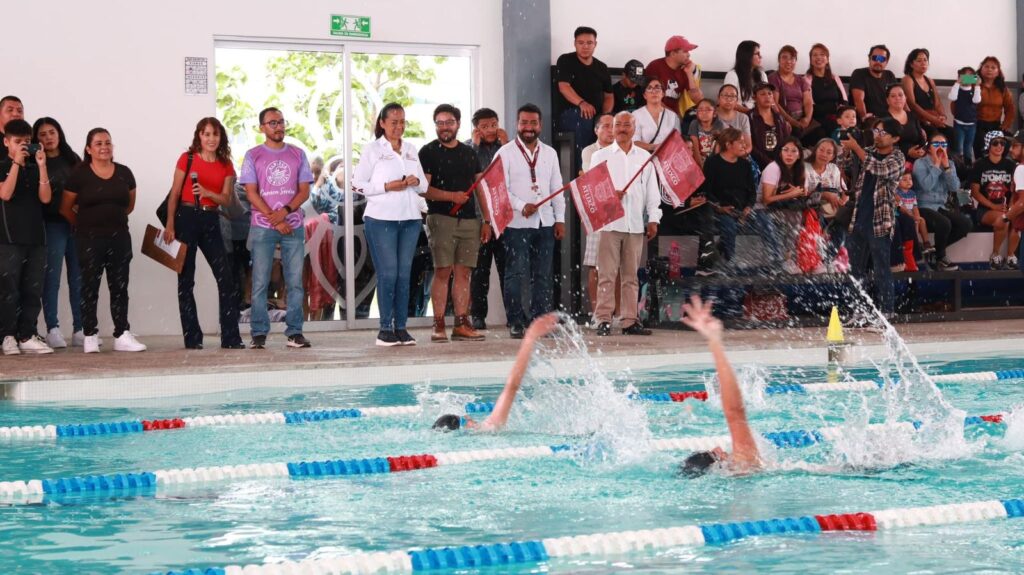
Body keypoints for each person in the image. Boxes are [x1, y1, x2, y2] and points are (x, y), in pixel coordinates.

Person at [60, 128, 145, 353]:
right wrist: (85, 226)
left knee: (119, 286)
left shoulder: (125, 173)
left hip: (119, 239)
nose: (104, 146)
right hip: (89, 240)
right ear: (89, 149)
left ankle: (121, 334)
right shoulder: (79, 175)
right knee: (89, 287)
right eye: (98, 143)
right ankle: (89, 334)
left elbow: (129, 206)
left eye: (107, 142)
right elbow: (66, 208)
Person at [162, 117, 243, 350]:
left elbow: (227, 199)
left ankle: (231, 338)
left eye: (215, 134)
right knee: (186, 280)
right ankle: (192, 338)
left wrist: (208, 191)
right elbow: (175, 194)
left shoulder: (226, 164)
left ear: (221, 137)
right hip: (186, 218)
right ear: (199, 135)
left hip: (211, 218)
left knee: (226, 279)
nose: (210, 139)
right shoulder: (186, 158)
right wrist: (170, 225)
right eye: (206, 134)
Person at [352, 103, 428, 346]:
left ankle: (402, 327)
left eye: (402, 122)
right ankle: (385, 328)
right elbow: (357, 184)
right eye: (394, 122)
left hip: (410, 219)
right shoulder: (372, 150)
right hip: (381, 219)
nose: (399, 126)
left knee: (404, 274)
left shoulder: (411, 149)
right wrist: (387, 186)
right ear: (382, 123)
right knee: (388, 273)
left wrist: (415, 182)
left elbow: (424, 187)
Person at [239, 107, 314, 349]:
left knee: (295, 282)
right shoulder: (253, 156)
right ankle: (259, 333)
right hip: (263, 226)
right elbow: (251, 192)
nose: (278, 126)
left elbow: (304, 190)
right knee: (260, 281)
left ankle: (295, 332)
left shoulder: (298, 154)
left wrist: (285, 212)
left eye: (281, 122)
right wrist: (275, 218)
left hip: (292, 225)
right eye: (272, 123)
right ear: (262, 127)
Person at [419, 104, 489, 343]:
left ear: (458, 124)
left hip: (470, 221)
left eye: (449, 122)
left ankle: (461, 323)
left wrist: (487, 220)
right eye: (440, 123)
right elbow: (423, 190)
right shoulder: (428, 152)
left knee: (464, 274)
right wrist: (452, 196)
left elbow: (480, 188)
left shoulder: (470, 153)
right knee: (442, 271)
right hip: (441, 219)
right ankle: (438, 325)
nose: (445, 127)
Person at [495, 103, 566, 339]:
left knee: (543, 275)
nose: (528, 127)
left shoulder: (550, 153)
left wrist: (560, 219)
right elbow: (501, 190)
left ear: (540, 125)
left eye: (533, 122)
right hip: (516, 224)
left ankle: (539, 321)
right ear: (517, 124)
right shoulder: (504, 153)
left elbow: (557, 187)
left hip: (545, 223)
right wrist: (520, 205)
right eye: (524, 122)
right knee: (515, 273)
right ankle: (515, 320)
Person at [591, 112, 661, 336]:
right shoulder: (600, 156)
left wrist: (653, 219)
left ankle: (630, 320)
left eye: (626, 125)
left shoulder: (644, 158)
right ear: (611, 128)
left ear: (634, 128)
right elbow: (592, 191)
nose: (621, 128)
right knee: (607, 275)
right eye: (617, 125)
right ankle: (603, 319)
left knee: (631, 277)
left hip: (635, 226)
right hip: (610, 224)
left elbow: (652, 191)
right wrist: (611, 195)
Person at [432, 313, 560, 432]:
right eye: (464, 419)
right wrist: (530, 337)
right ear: (465, 427)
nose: (469, 417)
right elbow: (512, 386)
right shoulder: (489, 428)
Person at [678, 295, 761, 478]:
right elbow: (735, 412)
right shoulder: (742, 465)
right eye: (713, 454)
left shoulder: (741, 474)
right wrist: (714, 342)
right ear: (719, 466)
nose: (717, 447)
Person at [841, 118, 906, 319]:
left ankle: (887, 311)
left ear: (895, 138)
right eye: (876, 130)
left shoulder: (898, 158)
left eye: (883, 132)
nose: (878, 135)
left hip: (880, 220)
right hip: (859, 217)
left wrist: (857, 149)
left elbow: (879, 169)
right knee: (855, 270)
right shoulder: (868, 150)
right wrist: (847, 151)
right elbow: (844, 165)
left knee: (881, 268)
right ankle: (857, 312)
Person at [0, 119, 53, 355]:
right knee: (8, 289)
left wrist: (41, 166)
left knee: (33, 289)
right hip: (8, 239)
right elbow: (6, 193)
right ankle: (7, 336)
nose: (24, 146)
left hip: (36, 237)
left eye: (27, 142)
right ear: (6, 142)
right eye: (18, 142)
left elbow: (46, 198)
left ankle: (26, 334)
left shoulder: (35, 167)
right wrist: (15, 163)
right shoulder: (3, 165)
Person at [32, 117, 84, 349]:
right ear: (36, 139)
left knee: (78, 278)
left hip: (76, 226)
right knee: (51, 279)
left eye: (52, 132)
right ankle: (52, 328)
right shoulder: (35, 163)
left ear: (59, 134)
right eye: (42, 134)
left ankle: (81, 328)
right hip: (51, 225)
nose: (48, 137)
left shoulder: (73, 160)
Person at [468, 107, 508, 330]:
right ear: (476, 129)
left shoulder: (508, 148)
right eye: (485, 126)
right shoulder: (468, 148)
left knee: (507, 269)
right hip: (479, 217)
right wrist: (474, 146)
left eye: (494, 124)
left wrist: (505, 144)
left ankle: (514, 315)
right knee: (480, 270)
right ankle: (478, 316)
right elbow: (467, 175)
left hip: (503, 216)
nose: (491, 130)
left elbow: (509, 172)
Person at [555, 26, 613, 168]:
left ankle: (612, 167)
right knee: (584, 117)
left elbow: (609, 96)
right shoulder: (566, 60)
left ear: (595, 44)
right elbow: (564, 87)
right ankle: (583, 171)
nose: (585, 46)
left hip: (596, 115)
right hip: (571, 114)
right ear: (574, 43)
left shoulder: (602, 67)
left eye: (589, 43)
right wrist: (582, 103)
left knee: (616, 122)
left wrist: (605, 115)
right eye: (580, 43)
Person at [704, 128, 757, 272]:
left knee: (766, 222)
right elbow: (706, 191)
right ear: (728, 144)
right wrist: (719, 207)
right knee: (729, 226)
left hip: (742, 210)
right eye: (740, 142)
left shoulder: (745, 164)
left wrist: (748, 207)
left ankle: (775, 261)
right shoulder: (712, 163)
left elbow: (752, 192)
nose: (744, 145)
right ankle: (730, 263)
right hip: (720, 210)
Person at [913, 132, 967, 271]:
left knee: (965, 223)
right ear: (929, 147)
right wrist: (936, 166)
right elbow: (926, 186)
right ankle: (941, 257)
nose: (940, 147)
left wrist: (947, 168)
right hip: (923, 205)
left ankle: (935, 253)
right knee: (944, 223)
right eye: (936, 144)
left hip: (940, 206)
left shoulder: (950, 163)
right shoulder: (920, 163)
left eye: (943, 144)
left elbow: (955, 187)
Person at [580, 113, 615, 322]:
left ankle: (616, 312)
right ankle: (596, 313)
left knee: (616, 266)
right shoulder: (589, 151)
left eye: (614, 126)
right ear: (596, 130)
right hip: (597, 211)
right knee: (594, 264)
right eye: (606, 126)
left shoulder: (623, 151)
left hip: (619, 213)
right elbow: (592, 176)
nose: (611, 130)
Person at [762, 137, 812, 273]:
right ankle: (785, 260)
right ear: (780, 152)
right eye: (786, 150)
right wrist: (790, 194)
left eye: (794, 151)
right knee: (793, 217)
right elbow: (766, 200)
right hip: (764, 209)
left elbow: (803, 193)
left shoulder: (801, 170)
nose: (789, 154)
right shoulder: (773, 168)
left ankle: (810, 259)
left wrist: (795, 193)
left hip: (787, 207)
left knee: (806, 216)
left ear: (799, 154)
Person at [969, 130, 1018, 269]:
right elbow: (975, 192)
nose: (999, 146)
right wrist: (993, 206)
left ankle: (1010, 256)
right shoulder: (980, 165)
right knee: (1003, 219)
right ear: (988, 146)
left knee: (1017, 220)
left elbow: (1015, 190)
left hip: (1006, 207)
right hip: (985, 209)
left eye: (1002, 143)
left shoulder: (1011, 166)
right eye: (995, 143)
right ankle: (995, 254)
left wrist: (1011, 206)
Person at [805, 138, 849, 269]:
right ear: (815, 150)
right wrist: (824, 194)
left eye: (829, 152)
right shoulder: (805, 168)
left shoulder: (833, 168)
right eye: (821, 150)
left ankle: (829, 261)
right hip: (811, 206)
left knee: (841, 226)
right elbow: (803, 193)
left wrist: (843, 200)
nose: (824, 154)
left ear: (833, 156)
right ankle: (818, 260)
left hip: (833, 208)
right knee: (820, 220)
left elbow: (845, 191)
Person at [802, 43, 848, 147]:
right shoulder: (807, 79)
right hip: (817, 121)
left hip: (837, 118)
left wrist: (837, 111)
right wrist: (834, 107)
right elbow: (813, 108)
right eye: (815, 55)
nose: (818, 57)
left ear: (827, 59)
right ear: (810, 60)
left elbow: (844, 102)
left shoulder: (835, 78)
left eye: (822, 54)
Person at [902, 48, 952, 142]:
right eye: (919, 60)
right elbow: (912, 105)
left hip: (933, 120)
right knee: (936, 136)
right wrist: (932, 119)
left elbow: (937, 103)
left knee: (953, 133)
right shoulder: (907, 79)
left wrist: (942, 116)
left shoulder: (930, 80)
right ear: (911, 64)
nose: (923, 63)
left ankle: (951, 157)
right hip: (919, 121)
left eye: (925, 60)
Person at [645, 36, 703, 116]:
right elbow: (650, 99)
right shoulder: (655, 67)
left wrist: (689, 73)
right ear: (672, 54)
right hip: (653, 114)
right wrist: (673, 117)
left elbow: (698, 99)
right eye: (685, 51)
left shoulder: (684, 69)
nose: (689, 55)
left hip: (673, 115)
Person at [974, 57, 1017, 159]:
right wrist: (973, 78)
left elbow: (1010, 108)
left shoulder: (1002, 88)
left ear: (998, 72)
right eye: (986, 66)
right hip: (977, 124)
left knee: (1006, 143)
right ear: (981, 68)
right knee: (980, 148)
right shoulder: (974, 81)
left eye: (993, 67)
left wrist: (1006, 124)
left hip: (996, 125)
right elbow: (961, 79)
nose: (989, 69)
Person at [768, 45, 812, 135]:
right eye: (784, 58)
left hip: (801, 118)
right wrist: (792, 121)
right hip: (784, 118)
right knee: (796, 131)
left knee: (819, 132)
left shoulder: (801, 80)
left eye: (792, 59)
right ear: (779, 60)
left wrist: (807, 119)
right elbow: (774, 103)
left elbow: (808, 102)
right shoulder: (774, 78)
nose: (788, 62)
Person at [747, 82, 790, 169]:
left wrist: (781, 160)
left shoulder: (779, 117)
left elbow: (787, 140)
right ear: (754, 98)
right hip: (758, 163)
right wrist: (769, 162)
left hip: (779, 162)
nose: (767, 96)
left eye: (770, 93)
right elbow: (750, 146)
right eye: (762, 94)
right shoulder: (749, 117)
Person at [892, 165, 926, 273]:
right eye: (904, 179)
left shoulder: (912, 193)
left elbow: (915, 208)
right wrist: (911, 215)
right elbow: (900, 208)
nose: (908, 182)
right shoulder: (896, 192)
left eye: (910, 179)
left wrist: (916, 216)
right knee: (908, 221)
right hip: (898, 214)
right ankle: (908, 258)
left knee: (919, 220)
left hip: (909, 215)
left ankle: (926, 243)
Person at [632, 77, 681, 152]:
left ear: (663, 93)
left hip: (667, 159)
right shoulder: (636, 115)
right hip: (645, 159)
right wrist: (653, 147)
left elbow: (678, 141)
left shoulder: (673, 116)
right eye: (649, 88)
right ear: (644, 95)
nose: (654, 91)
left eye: (657, 87)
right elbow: (634, 142)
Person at [849, 45, 898, 120]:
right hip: (870, 120)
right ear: (869, 59)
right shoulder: (859, 74)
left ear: (886, 62)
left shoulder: (890, 75)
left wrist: (909, 117)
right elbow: (859, 101)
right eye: (875, 58)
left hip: (889, 119)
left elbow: (899, 99)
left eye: (882, 59)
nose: (878, 61)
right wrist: (865, 119)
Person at [948, 66, 982, 164]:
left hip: (972, 124)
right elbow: (952, 97)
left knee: (968, 147)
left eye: (970, 77)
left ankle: (968, 166)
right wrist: (957, 83)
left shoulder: (974, 90)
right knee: (958, 147)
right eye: (965, 76)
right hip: (959, 123)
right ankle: (958, 165)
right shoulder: (957, 89)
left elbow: (977, 100)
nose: (967, 79)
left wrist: (977, 85)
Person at [885, 84, 927, 160]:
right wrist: (907, 152)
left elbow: (921, 139)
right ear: (887, 101)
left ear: (905, 98)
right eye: (893, 96)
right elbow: (884, 146)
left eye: (900, 95)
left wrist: (921, 150)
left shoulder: (912, 116)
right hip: (894, 160)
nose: (897, 98)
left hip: (918, 157)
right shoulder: (883, 119)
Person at [723, 40, 767, 113]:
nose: (760, 57)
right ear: (747, 56)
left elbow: (767, 99)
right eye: (757, 54)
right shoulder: (732, 75)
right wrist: (751, 114)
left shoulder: (762, 74)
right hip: (739, 115)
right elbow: (729, 102)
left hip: (758, 115)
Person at [687, 98, 725, 169]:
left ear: (714, 114)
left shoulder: (719, 125)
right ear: (697, 113)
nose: (704, 112)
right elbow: (695, 147)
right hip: (698, 159)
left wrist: (715, 167)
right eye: (700, 110)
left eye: (708, 110)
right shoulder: (694, 123)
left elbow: (718, 148)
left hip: (714, 161)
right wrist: (701, 167)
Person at [715, 85, 752, 149]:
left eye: (732, 96)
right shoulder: (711, 115)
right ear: (718, 98)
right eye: (725, 95)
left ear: (737, 100)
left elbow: (748, 145)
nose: (728, 99)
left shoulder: (743, 118)